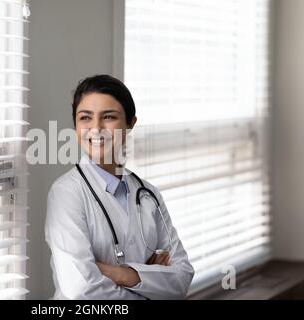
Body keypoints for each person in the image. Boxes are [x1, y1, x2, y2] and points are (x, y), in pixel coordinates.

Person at [45, 75, 194, 299]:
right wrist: (148, 279)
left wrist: (119, 274)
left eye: (109, 117)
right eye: (85, 117)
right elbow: (81, 290)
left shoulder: (148, 195)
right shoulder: (66, 193)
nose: (96, 128)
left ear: (130, 124)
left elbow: (182, 277)